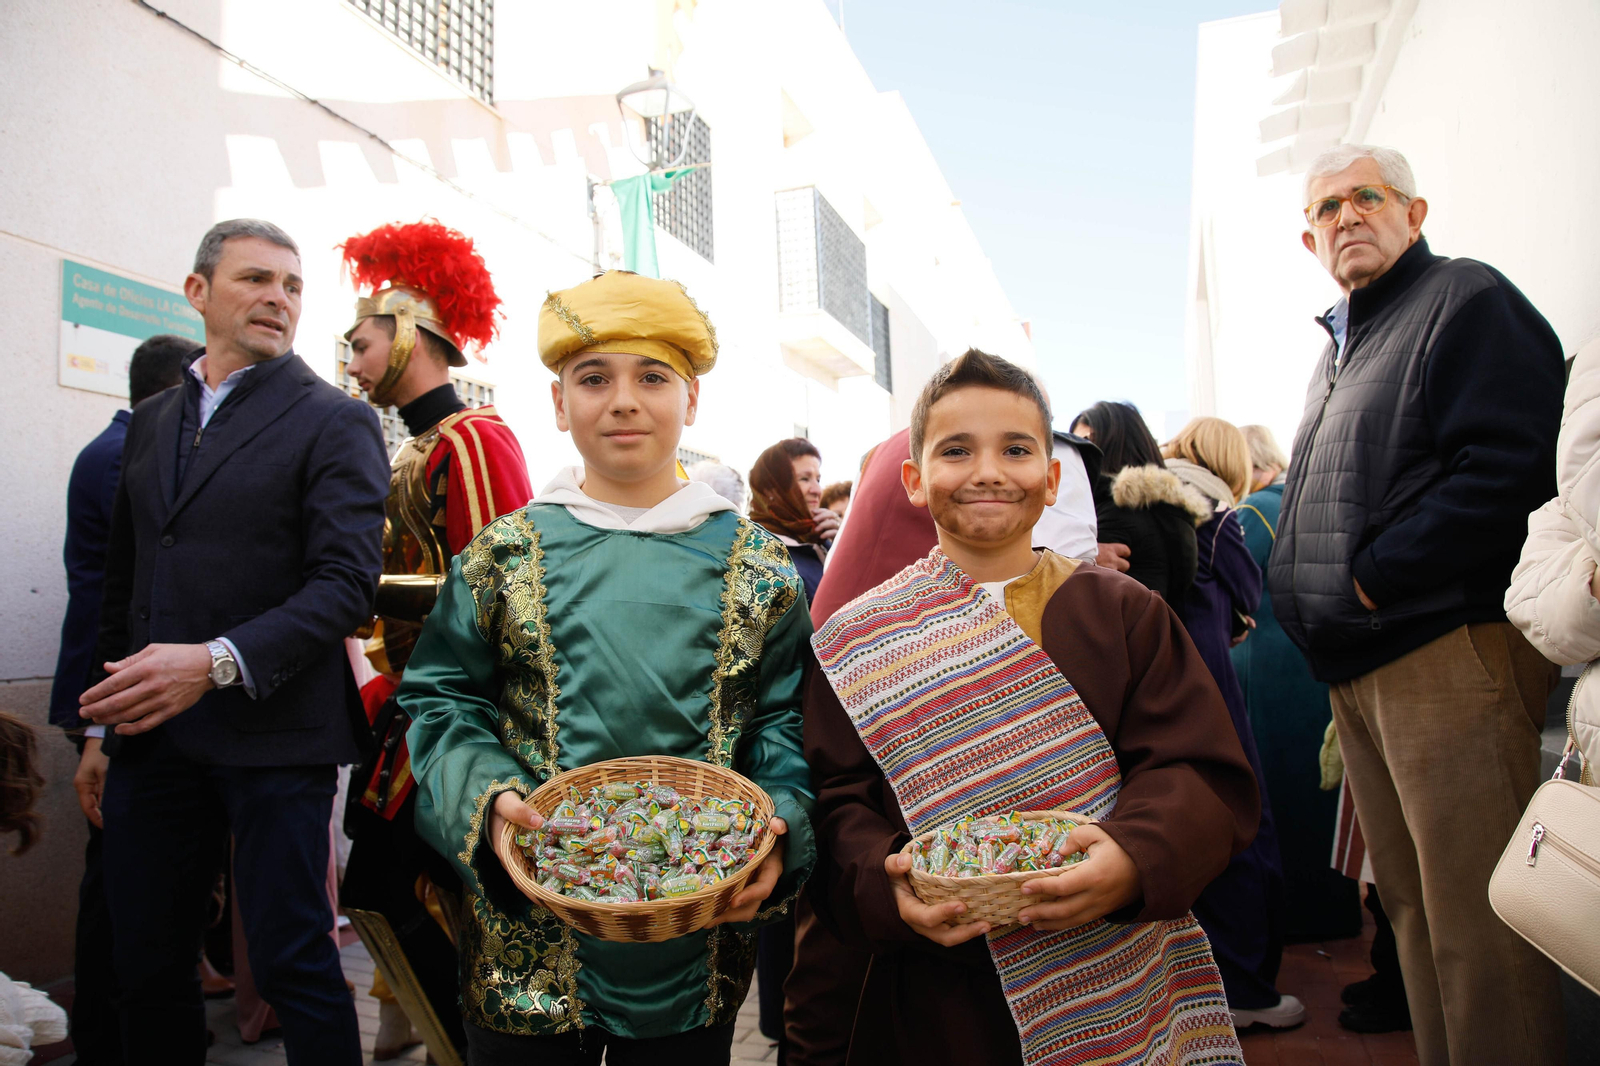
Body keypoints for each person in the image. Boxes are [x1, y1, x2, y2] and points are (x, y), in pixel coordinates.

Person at [399, 270, 815, 1065]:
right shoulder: (503, 553)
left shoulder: (758, 566)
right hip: (525, 930)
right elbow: (441, 701)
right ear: (558, 404)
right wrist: (485, 801)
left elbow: (780, 720)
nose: (623, 400)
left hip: (695, 935)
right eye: (594, 378)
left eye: (652, 377)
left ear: (691, 400)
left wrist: (780, 830)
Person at [806, 349, 1255, 1066]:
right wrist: (887, 885)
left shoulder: (1125, 613)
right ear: (916, 482)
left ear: (1050, 481)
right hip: (941, 987)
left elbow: (1195, 768)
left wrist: (1134, 858)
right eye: (957, 450)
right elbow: (837, 800)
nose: (987, 471)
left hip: (1117, 960)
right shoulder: (858, 638)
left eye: (1015, 449)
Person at [1269, 144, 1566, 1066]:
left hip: (1442, 649)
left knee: (1478, 919)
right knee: (1410, 910)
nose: (1347, 215)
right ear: (1308, 236)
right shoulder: (1340, 346)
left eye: (1369, 196)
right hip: (1360, 662)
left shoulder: (1466, 298)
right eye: (1327, 207)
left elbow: (1513, 465)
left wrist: (1376, 575)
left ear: (1415, 211)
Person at [76, 218, 389, 1066]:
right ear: (198, 291)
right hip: (151, 739)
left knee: (294, 960)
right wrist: (102, 730)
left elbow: (344, 587)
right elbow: (126, 584)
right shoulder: (150, 422)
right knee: (145, 961)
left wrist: (214, 663)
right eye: (256, 279)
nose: (277, 299)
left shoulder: (334, 421)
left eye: (291, 286)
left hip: (276, 734)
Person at [333, 220, 533, 1061]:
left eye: (361, 340)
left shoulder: (472, 438)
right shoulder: (414, 444)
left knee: (426, 889)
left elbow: (494, 593)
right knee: (378, 884)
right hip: (413, 708)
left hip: (461, 717)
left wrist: (345, 592)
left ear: (408, 331)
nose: (351, 360)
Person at [55, 333, 193, 1065]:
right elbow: (130, 594)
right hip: (110, 691)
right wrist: (97, 730)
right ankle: (104, 1039)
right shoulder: (129, 454)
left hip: (119, 689)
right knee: (116, 885)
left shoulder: (116, 448)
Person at [1161, 417, 1298, 1030]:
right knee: (1242, 823)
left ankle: (1194, 983)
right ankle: (1245, 987)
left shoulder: (1136, 497)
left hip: (1152, 691)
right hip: (1211, 686)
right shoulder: (1215, 511)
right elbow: (1248, 594)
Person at [1229, 426, 1362, 946]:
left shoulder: (1254, 511)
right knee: (1323, 794)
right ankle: (1338, 910)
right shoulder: (1311, 498)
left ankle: (1297, 917)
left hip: (1270, 670)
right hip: (1318, 661)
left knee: (1281, 797)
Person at [1071, 401, 1205, 601]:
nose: (1074, 454)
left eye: (1084, 443)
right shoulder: (1172, 509)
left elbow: (1082, 597)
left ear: (1111, 444)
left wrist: (1077, 559)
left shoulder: (1114, 511)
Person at [749, 439, 837, 602]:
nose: (817, 490)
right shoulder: (760, 557)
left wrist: (842, 546)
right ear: (772, 489)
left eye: (818, 479)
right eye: (804, 479)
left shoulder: (821, 539)